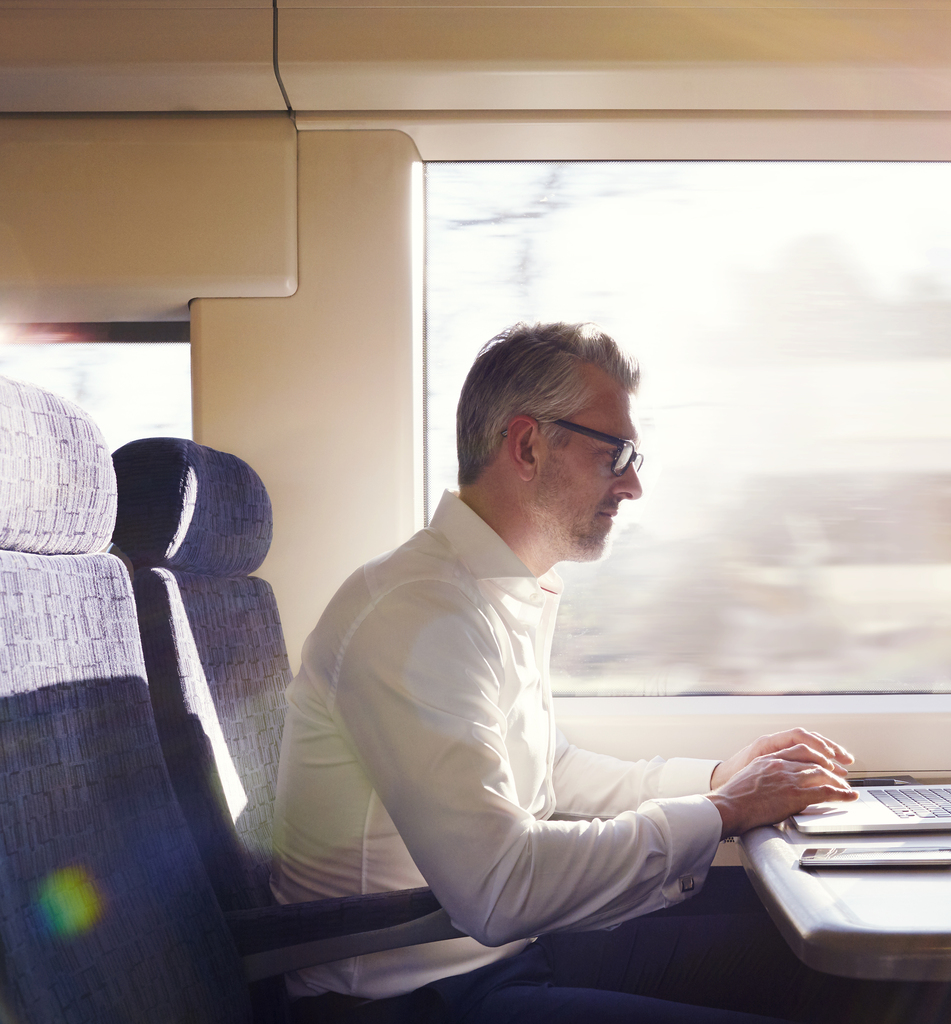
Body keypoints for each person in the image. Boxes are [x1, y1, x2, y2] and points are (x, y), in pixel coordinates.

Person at [270, 321, 864, 1023]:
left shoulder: (492, 591)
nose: (634, 484)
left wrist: (718, 777)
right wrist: (725, 811)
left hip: (498, 957)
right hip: (415, 995)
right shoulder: (415, 613)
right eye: (617, 454)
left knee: (834, 972)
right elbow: (499, 888)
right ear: (527, 445)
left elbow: (549, 774)